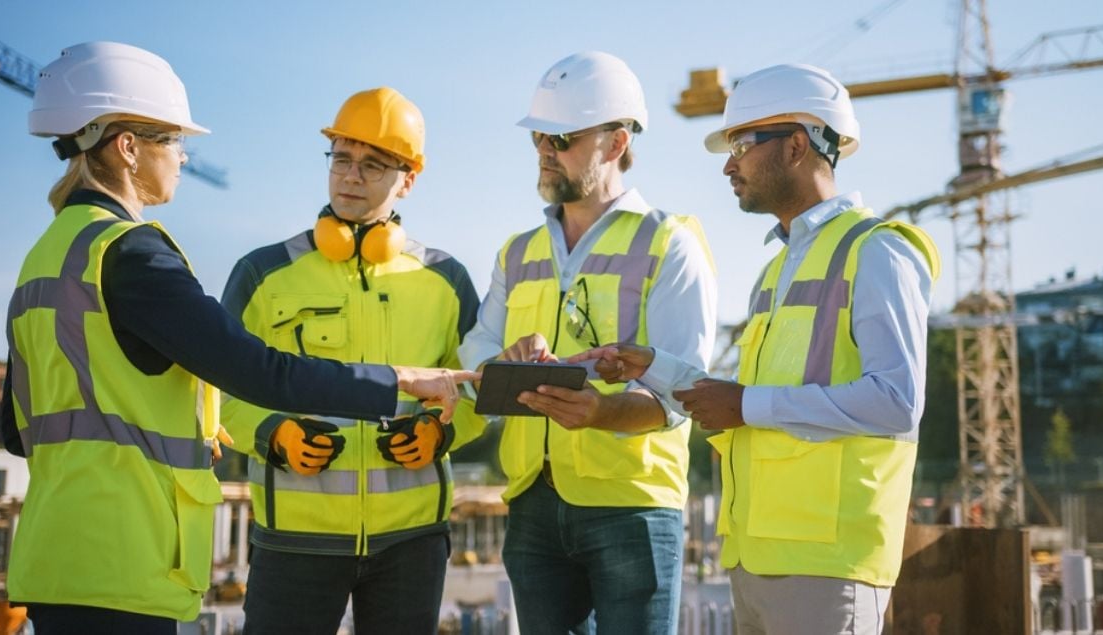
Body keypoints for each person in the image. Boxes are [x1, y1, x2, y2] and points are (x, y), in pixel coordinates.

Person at [1, 42, 474, 635]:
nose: (181, 156)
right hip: (123, 551)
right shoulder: (132, 253)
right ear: (127, 148)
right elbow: (257, 373)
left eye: (372, 164)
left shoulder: (50, 253)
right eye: (172, 141)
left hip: (58, 550)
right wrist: (395, 382)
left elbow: (16, 429)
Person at [570, 63, 941, 635]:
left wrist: (746, 405)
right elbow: (740, 412)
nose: (728, 163)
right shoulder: (775, 272)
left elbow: (895, 402)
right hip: (758, 560)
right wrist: (656, 370)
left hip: (829, 564)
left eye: (742, 143)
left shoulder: (876, 253)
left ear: (797, 145)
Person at [458, 51, 718, 634]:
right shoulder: (517, 251)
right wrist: (505, 362)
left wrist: (601, 413)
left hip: (632, 505)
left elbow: (689, 391)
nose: (546, 151)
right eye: (539, 139)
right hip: (532, 504)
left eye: (563, 138)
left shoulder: (668, 243)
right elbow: (475, 354)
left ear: (617, 142)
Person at [219, 86, 484, 635]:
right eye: (341, 158)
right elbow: (215, 388)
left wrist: (442, 433)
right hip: (295, 538)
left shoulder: (447, 281)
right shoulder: (262, 274)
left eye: (372, 164)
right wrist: (272, 432)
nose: (350, 177)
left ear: (408, 178)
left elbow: (480, 387)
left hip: (412, 542)